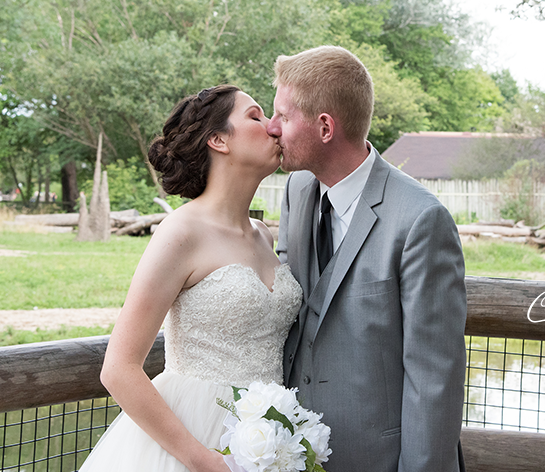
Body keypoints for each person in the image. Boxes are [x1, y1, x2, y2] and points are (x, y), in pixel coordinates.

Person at [79, 84, 302, 472]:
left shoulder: (264, 234)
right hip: (193, 437)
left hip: (267, 437)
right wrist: (205, 461)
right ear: (218, 140)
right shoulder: (180, 233)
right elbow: (118, 368)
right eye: (256, 116)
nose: (273, 127)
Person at [268, 46, 467, 472]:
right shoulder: (297, 191)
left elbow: (433, 381)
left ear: (325, 127)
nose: (272, 128)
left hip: (378, 459)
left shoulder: (420, 221)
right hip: (290, 452)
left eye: (283, 117)